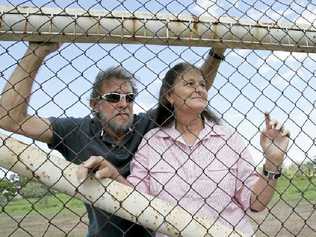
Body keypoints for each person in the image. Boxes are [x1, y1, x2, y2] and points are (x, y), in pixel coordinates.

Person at [0, 42, 225, 237]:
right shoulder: (76, 131)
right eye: (113, 97)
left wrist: (217, 53)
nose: (123, 103)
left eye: (129, 97)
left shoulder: (145, 124)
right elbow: (10, 119)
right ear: (95, 104)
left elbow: (185, 96)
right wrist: (36, 52)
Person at [84, 62, 290, 236]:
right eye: (189, 83)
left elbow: (255, 203)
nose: (199, 88)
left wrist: (273, 161)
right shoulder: (153, 142)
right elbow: (138, 199)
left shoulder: (228, 138)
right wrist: (114, 174)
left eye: (202, 84)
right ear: (170, 96)